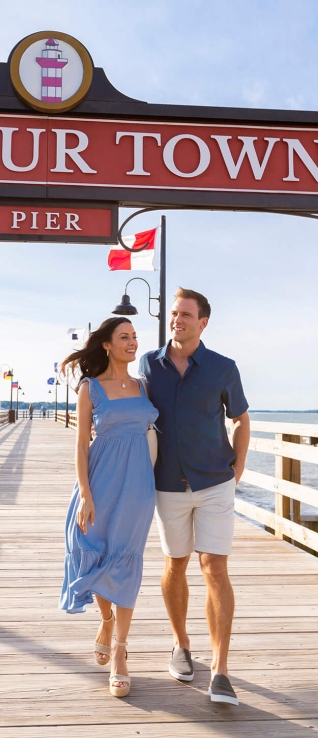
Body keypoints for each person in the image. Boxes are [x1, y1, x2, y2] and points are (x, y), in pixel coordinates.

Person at [138, 288, 250, 707]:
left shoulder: (223, 368)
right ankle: (181, 645)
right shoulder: (149, 363)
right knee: (175, 564)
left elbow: (240, 419)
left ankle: (220, 670)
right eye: (173, 314)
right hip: (167, 483)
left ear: (204, 322)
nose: (177, 320)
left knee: (214, 567)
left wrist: (237, 469)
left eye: (186, 314)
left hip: (214, 483)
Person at [59, 317, 158, 697]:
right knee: (94, 550)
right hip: (99, 479)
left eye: (134, 337)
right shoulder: (90, 388)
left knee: (125, 557)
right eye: (124, 337)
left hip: (137, 484)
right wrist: (85, 493)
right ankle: (105, 619)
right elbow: (81, 444)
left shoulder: (143, 385)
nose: (132, 342)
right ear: (106, 344)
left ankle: (120, 650)